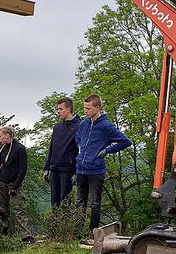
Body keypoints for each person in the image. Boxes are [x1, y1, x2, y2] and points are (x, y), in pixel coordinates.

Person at [74, 94, 132, 241]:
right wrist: (80, 153)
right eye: (84, 108)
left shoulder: (106, 126)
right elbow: (78, 138)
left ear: (97, 107)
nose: (85, 111)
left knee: (94, 203)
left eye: (88, 108)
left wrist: (107, 150)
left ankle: (92, 234)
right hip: (81, 168)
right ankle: (76, 232)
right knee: (80, 202)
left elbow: (126, 141)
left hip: (96, 170)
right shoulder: (84, 124)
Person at [0, 125, 34, 244]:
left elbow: (23, 169)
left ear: (7, 135)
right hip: (1, 181)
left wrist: (15, 185)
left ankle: (26, 236)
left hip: (14, 183)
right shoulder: (3, 148)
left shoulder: (20, 149)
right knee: (2, 209)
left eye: (0, 136)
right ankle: (4, 234)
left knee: (19, 208)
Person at [44, 97, 81, 207]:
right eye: (57, 109)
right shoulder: (57, 127)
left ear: (69, 109)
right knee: (54, 202)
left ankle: (66, 224)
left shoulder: (79, 126)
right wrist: (47, 167)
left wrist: (76, 171)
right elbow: (52, 147)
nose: (58, 112)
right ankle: (55, 224)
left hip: (67, 169)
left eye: (61, 109)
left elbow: (81, 150)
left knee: (65, 202)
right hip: (54, 168)